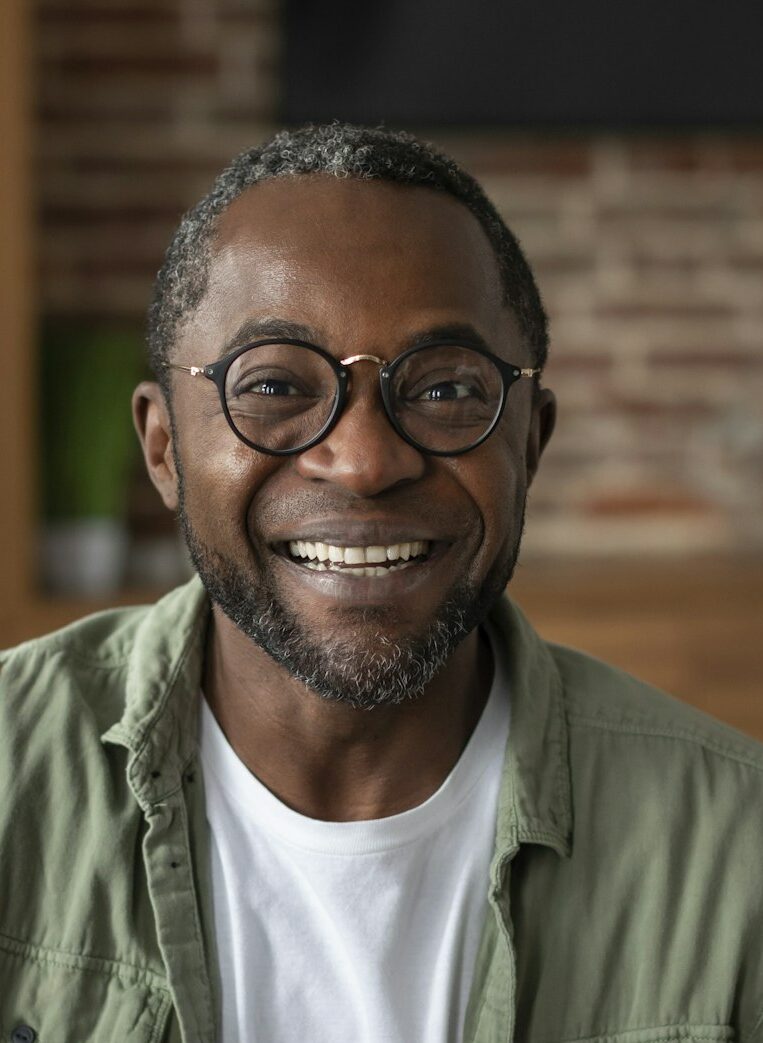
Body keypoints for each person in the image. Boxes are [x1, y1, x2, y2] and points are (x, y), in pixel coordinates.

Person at [1, 123, 762, 1043]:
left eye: (444, 389)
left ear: (530, 439)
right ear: (163, 447)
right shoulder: (14, 776)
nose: (362, 460)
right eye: (275, 385)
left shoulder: (734, 850)